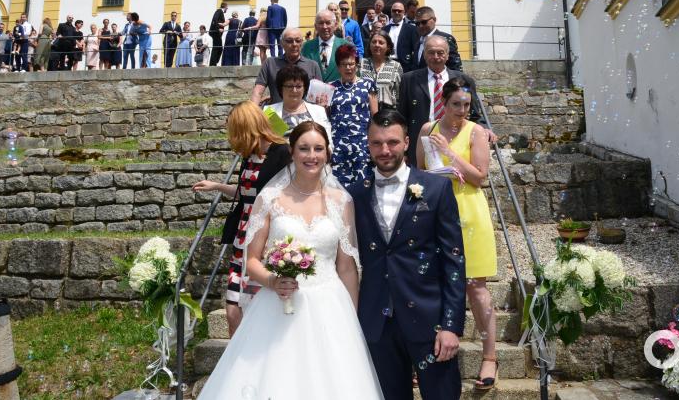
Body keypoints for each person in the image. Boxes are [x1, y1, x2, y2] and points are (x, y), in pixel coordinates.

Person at [197, 121, 384, 400]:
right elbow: (251, 260)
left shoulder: (341, 201)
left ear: (327, 153)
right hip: (277, 304)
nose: (312, 155)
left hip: (330, 306)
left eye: (318, 149)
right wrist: (272, 280)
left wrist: (352, 320)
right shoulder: (269, 198)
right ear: (292, 152)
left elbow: (346, 267)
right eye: (304, 148)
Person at [350, 109, 466, 400]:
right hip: (377, 324)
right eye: (376, 143)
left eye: (392, 142)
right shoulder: (354, 195)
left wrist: (451, 326)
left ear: (406, 142)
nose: (384, 150)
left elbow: (454, 261)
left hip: (430, 321)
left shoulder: (437, 189)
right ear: (367, 144)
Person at [416, 76, 499, 391]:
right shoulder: (428, 130)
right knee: (433, 285)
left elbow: (479, 176)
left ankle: (490, 356)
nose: (462, 110)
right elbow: (419, 172)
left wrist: (449, 153)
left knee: (475, 287)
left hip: (469, 211)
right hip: (436, 212)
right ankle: (428, 354)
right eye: (456, 104)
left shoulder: (476, 132)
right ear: (444, 102)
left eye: (466, 105)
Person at [192, 101, 292, 335]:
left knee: (261, 311)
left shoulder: (282, 153)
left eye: (234, 130)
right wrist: (217, 186)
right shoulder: (249, 155)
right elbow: (247, 193)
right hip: (242, 238)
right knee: (233, 311)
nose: (232, 138)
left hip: (266, 241)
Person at [397, 35, 484, 165]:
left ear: (447, 55)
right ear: (424, 55)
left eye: (440, 53)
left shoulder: (464, 80)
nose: (436, 56)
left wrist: (485, 129)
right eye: (431, 52)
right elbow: (401, 117)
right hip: (420, 144)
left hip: (456, 144)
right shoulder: (409, 80)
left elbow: (475, 114)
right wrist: (402, 150)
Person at [327, 44, 378, 188]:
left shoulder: (368, 84)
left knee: (363, 187)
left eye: (351, 64)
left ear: (357, 65)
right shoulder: (330, 87)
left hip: (362, 145)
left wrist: (374, 143)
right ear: (338, 67)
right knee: (338, 188)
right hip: (338, 146)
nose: (348, 68)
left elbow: (375, 116)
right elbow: (326, 117)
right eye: (344, 64)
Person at [250, 27, 322, 105]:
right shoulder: (270, 63)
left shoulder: (313, 66)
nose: (294, 44)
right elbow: (258, 91)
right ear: (282, 43)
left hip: (305, 112)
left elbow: (320, 95)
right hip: (276, 112)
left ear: (302, 43)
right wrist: (252, 110)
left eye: (298, 41)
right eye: (289, 41)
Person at [265, 66, 332, 144]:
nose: (294, 90)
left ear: (305, 88)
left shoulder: (318, 110)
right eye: (289, 86)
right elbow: (267, 142)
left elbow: (328, 142)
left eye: (298, 86)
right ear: (281, 88)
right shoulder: (270, 112)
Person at [401, 6, 463, 73]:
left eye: (424, 22)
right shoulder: (418, 40)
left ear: (434, 20)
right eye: (417, 23)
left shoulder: (444, 39)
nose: (420, 26)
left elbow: (455, 67)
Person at [301, 10, 351, 83]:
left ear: (335, 25)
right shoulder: (306, 47)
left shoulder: (345, 46)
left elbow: (352, 72)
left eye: (328, 23)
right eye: (321, 23)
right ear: (316, 26)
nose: (324, 27)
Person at [361, 31, 403, 111]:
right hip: (364, 112)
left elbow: (399, 94)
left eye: (381, 42)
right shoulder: (361, 64)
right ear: (369, 45)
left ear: (388, 47)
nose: (377, 45)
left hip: (387, 112)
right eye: (374, 42)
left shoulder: (396, 66)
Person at [209, 2, 228, 66]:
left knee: (218, 48)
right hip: (215, 32)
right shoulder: (219, 11)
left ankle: (214, 62)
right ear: (225, 7)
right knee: (217, 48)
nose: (227, 9)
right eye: (227, 8)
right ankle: (213, 63)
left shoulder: (220, 12)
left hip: (217, 33)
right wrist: (218, 29)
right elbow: (215, 20)